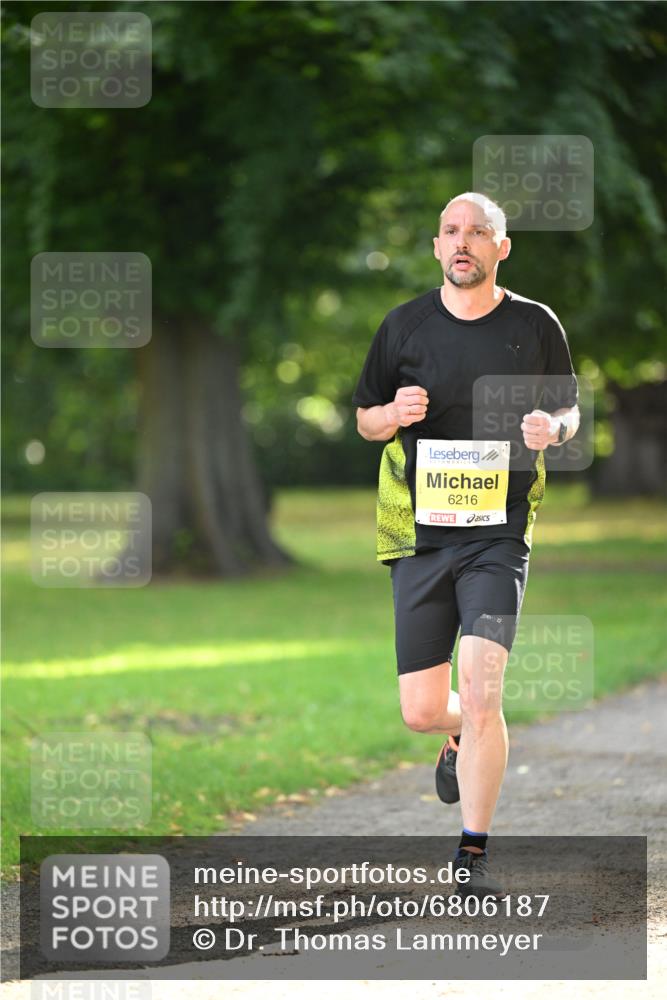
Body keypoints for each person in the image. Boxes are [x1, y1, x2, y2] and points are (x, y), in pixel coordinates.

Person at [352, 192, 580, 896]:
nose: (463, 243)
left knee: (482, 690)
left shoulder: (534, 323)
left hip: (498, 533)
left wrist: (554, 428)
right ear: (435, 246)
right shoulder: (403, 327)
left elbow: (568, 408)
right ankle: (455, 736)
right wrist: (390, 414)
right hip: (418, 536)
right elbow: (363, 418)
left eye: (477, 232)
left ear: (499, 248)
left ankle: (471, 854)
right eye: (451, 232)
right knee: (424, 709)